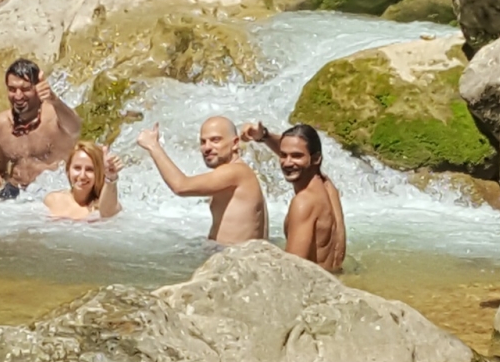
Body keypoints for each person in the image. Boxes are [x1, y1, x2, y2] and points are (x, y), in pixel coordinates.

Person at [137, 116, 268, 246]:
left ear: (235, 143)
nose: (207, 147)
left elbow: (181, 186)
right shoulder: (240, 173)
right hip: (233, 254)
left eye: (215, 140)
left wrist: (153, 146)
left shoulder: (235, 171)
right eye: (203, 142)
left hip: (235, 257)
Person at [240, 121, 346, 272]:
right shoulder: (328, 187)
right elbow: (296, 150)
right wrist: (264, 136)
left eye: (296, 156)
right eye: (283, 155)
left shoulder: (304, 202)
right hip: (334, 279)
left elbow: (292, 271)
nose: (287, 163)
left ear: (316, 158)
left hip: (311, 285)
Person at [0, 58, 82, 200]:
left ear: (38, 87)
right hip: (15, 197)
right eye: (12, 89)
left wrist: (54, 100)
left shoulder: (55, 116)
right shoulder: (0, 125)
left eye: (25, 89)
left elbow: (76, 128)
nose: (18, 96)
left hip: (52, 194)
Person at [43, 141, 125, 220]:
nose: (82, 176)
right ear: (68, 171)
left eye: (90, 169)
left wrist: (110, 177)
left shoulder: (104, 206)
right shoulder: (52, 200)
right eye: (77, 168)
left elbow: (108, 214)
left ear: (99, 173)